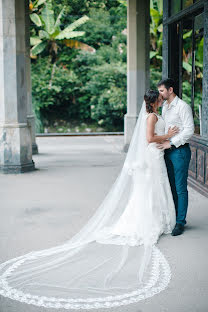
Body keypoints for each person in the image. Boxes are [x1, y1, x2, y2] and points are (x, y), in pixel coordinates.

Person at [0, 90, 178, 310]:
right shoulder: (151, 117)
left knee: (154, 190)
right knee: (150, 191)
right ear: (153, 102)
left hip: (155, 156)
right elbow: (149, 139)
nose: (162, 100)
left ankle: (156, 219)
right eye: (159, 99)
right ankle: (149, 221)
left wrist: (167, 136)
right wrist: (168, 135)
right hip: (153, 156)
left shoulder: (154, 115)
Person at [157, 78, 194, 236]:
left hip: (179, 151)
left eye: (162, 91)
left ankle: (180, 222)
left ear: (170, 90)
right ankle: (173, 217)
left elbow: (189, 130)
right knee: (170, 185)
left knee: (180, 188)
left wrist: (171, 142)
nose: (160, 94)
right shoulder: (165, 106)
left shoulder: (183, 106)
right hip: (166, 151)